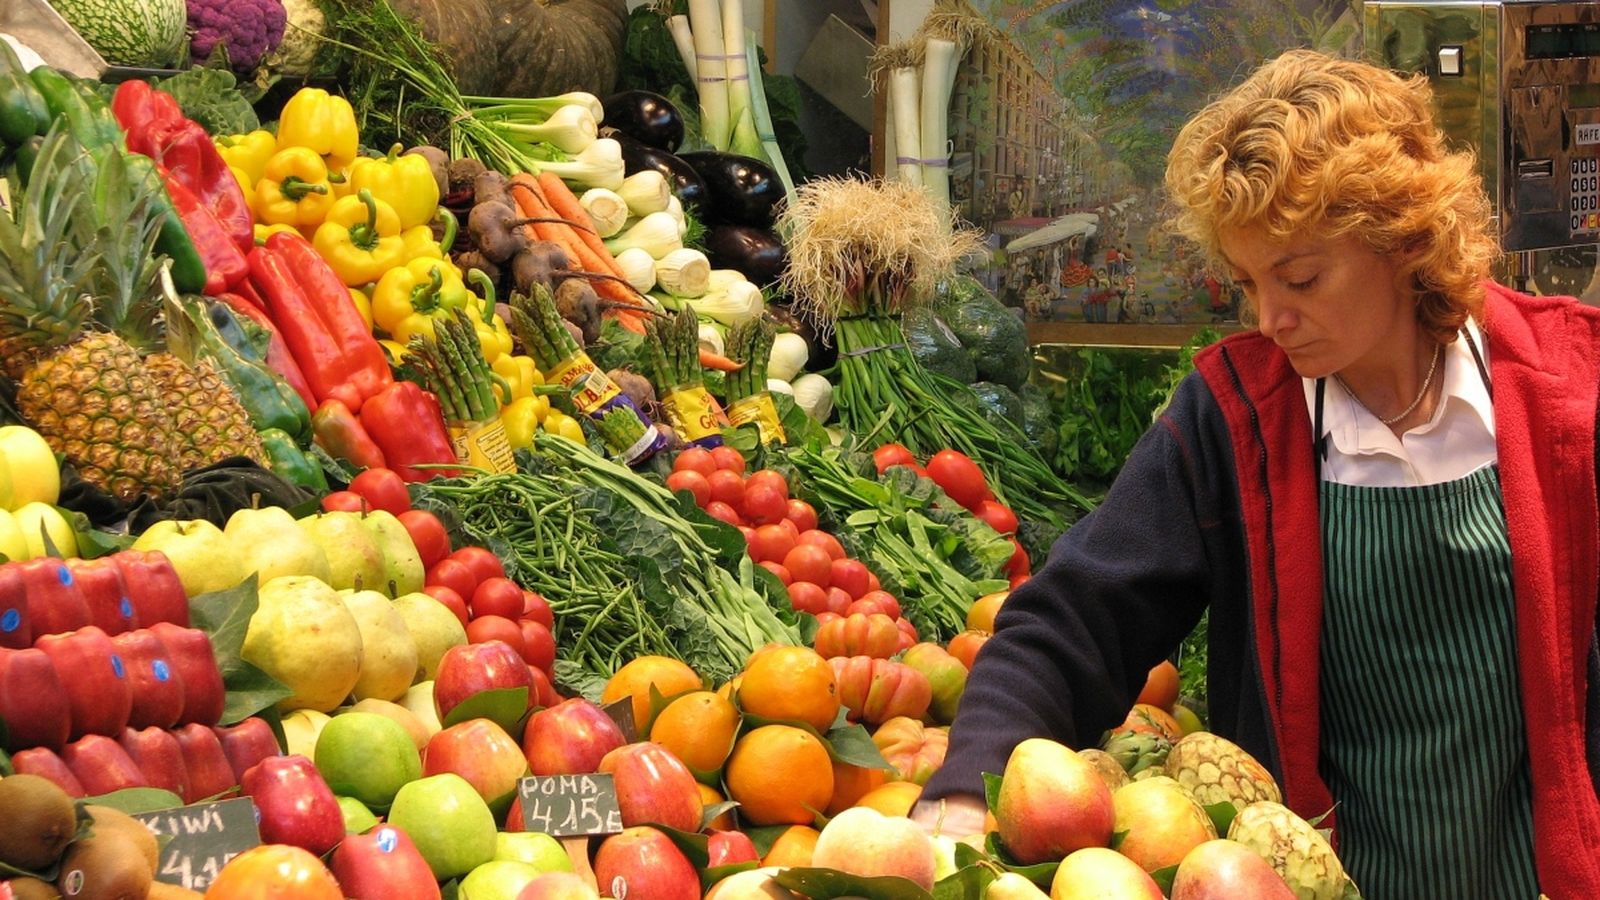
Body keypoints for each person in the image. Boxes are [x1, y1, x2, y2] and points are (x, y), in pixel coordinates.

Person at [912, 48, 1600, 897]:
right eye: (1247, 283)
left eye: (1301, 277)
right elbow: (1076, 623)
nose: (1272, 319)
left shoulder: (1567, 392)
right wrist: (961, 789)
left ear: (1402, 237)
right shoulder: (1235, 416)